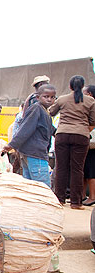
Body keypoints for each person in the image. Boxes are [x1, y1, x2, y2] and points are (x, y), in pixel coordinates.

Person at [49, 75, 95, 209]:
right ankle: (76, 202)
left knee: (61, 167)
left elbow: (51, 112)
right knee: (77, 169)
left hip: (62, 135)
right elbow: (93, 120)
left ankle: (59, 199)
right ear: (82, 86)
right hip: (81, 136)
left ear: (70, 86)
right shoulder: (90, 101)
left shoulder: (63, 99)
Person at [2, 85, 56, 187]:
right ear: (38, 97)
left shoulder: (45, 112)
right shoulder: (36, 109)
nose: (49, 99)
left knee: (30, 186)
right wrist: (12, 145)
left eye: (52, 97)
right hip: (35, 153)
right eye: (46, 96)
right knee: (42, 187)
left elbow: (51, 129)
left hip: (31, 153)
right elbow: (25, 129)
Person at [82, 85, 95, 206]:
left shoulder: (92, 106)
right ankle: (82, 196)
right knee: (85, 170)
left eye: (84, 93)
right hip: (87, 142)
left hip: (92, 144)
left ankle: (92, 197)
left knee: (91, 171)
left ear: (90, 95)